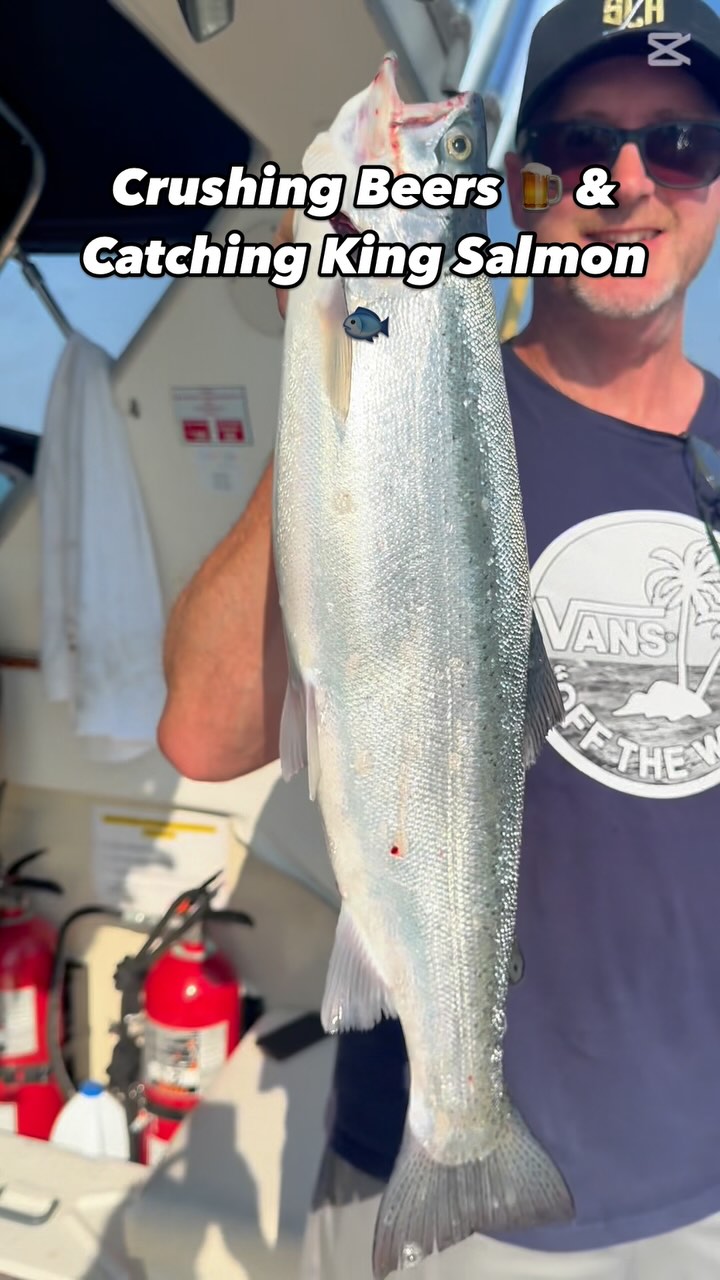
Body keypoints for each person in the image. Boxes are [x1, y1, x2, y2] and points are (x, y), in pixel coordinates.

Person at [157, 0, 720, 1274]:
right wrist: (339, 333)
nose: (625, 185)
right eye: (579, 144)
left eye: (677, 144)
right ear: (520, 184)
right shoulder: (433, 367)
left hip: (704, 1172)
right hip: (432, 1160)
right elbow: (201, 727)